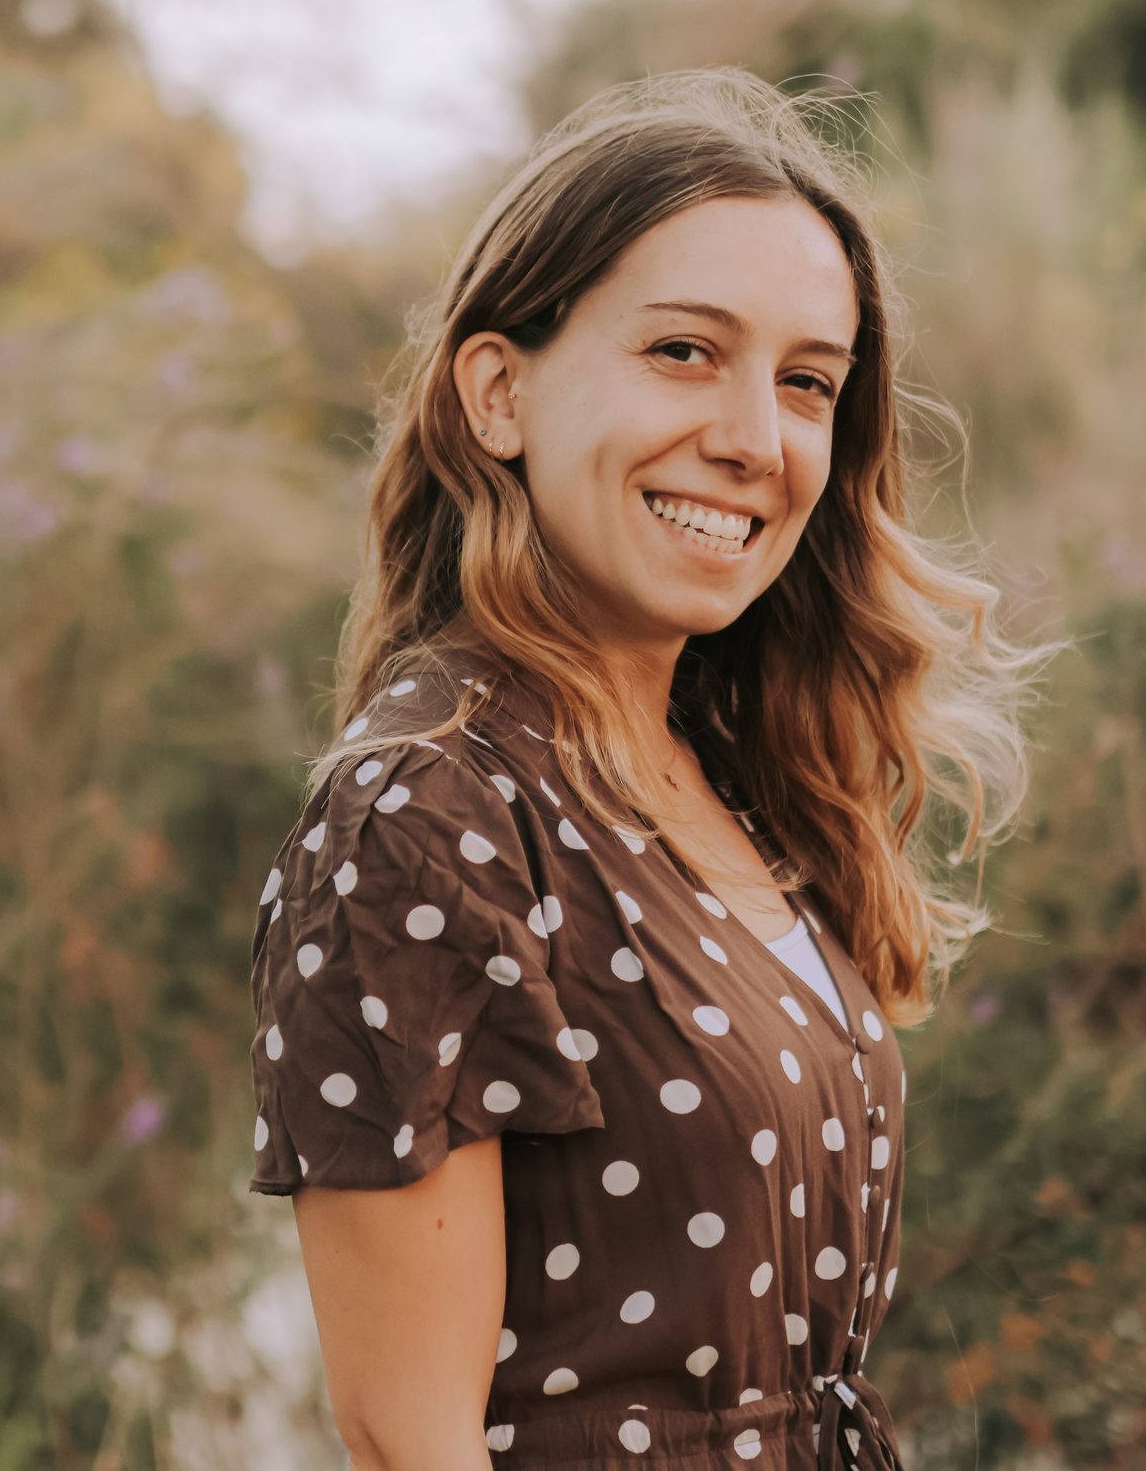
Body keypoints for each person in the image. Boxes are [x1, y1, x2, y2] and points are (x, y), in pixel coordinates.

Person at [246, 71, 1039, 1469]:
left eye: (807, 383)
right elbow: (403, 1443)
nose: (754, 438)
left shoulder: (720, 772)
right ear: (499, 391)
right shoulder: (427, 815)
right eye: (684, 352)